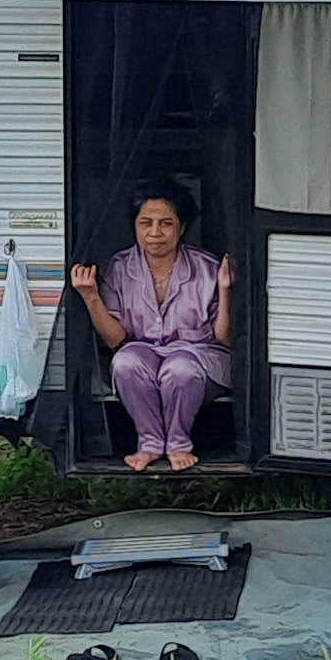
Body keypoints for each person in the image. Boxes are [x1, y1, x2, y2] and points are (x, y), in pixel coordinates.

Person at [70, 191, 236, 471]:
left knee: (179, 369)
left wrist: (226, 290)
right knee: (125, 362)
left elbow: (224, 337)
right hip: (144, 352)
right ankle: (150, 443)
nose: (155, 233)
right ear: (134, 226)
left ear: (182, 228)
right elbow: (115, 339)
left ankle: (178, 443)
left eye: (166, 223)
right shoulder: (119, 268)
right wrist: (91, 297)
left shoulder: (208, 268)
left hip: (200, 357)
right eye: (146, 223)